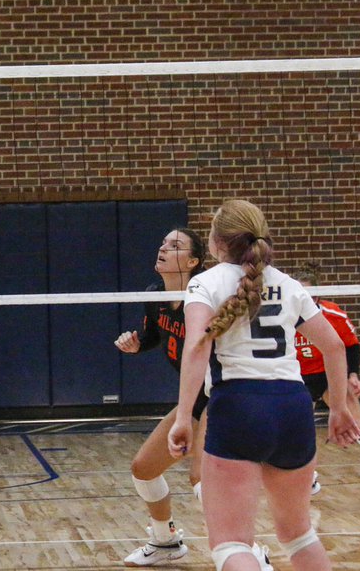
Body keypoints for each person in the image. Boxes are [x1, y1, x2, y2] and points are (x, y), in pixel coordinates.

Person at [168, 199, 360, 571]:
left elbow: (196, 347)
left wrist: (182, 418)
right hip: (293, 406)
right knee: (299, 535)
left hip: (238, 405)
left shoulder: (206, 283)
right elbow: (335, 346)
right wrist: (338, 408)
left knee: (231, 543)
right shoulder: (287, 283)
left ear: (217, 242)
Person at [113, 227, 216, 567]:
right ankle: (166, 542)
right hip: (193, 399)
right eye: (163, 243)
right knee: (143, 469)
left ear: (194, 260)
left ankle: (246, 548)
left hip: (220, 394)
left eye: (175, 246)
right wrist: (136, 344)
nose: (164, 248)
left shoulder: (205, 296)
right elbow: (154, 335)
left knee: (201, 477)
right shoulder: (155, 295)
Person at [293, 263, 360, 494]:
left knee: (356, 423)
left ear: (317, 295)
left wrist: (352, 375)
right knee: (297, 428)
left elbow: (351, 346)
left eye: (309, 294)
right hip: (298, 377)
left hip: (328, 374)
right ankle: (308, 477)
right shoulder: (284, 316)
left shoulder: (332, 314)